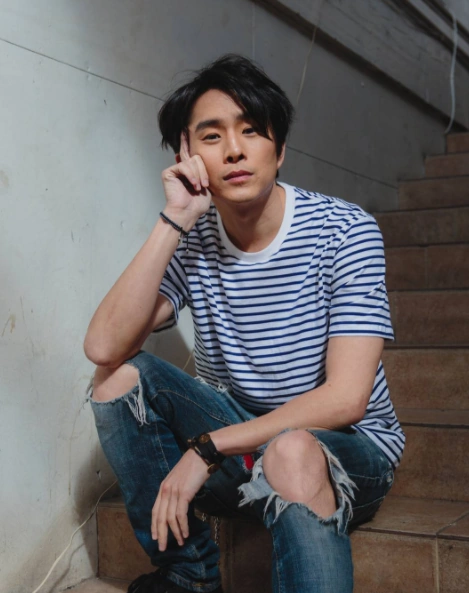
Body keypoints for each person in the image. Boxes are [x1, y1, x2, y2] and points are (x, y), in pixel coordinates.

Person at [84, 54, 405, 593]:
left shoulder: (346, 231)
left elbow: (347, 399)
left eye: (251, 130)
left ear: (279, 148)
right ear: (187, 156)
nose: (233, 149)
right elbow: (103, 345)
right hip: (240, 446)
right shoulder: (195, 239)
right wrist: (174, 219)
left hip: (342, 449)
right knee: (115, 379)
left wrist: (208, 448)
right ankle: (188, 573)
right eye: (211, 137)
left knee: (292, 449)